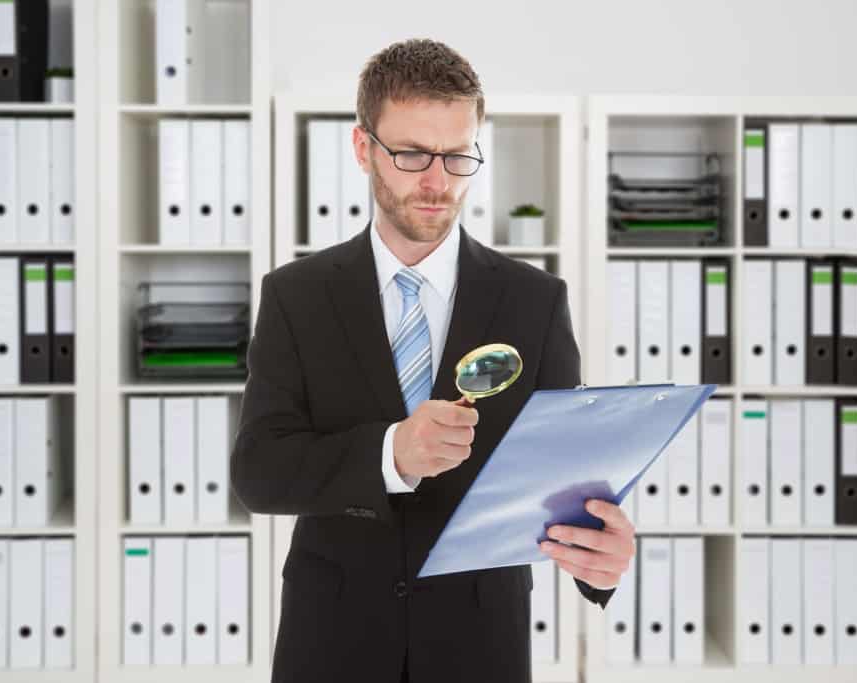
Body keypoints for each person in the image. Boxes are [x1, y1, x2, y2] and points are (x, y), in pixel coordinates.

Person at [230, 38, 636, 683]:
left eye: (456, 156)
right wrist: (391, 453)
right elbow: (259, 473)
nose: (437, 181)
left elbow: (566, 478)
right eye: (413, 153)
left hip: (480, 639)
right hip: (332, 637)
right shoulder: (296, 295)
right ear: (365, 150)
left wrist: (602, 560)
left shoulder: (534, 300)